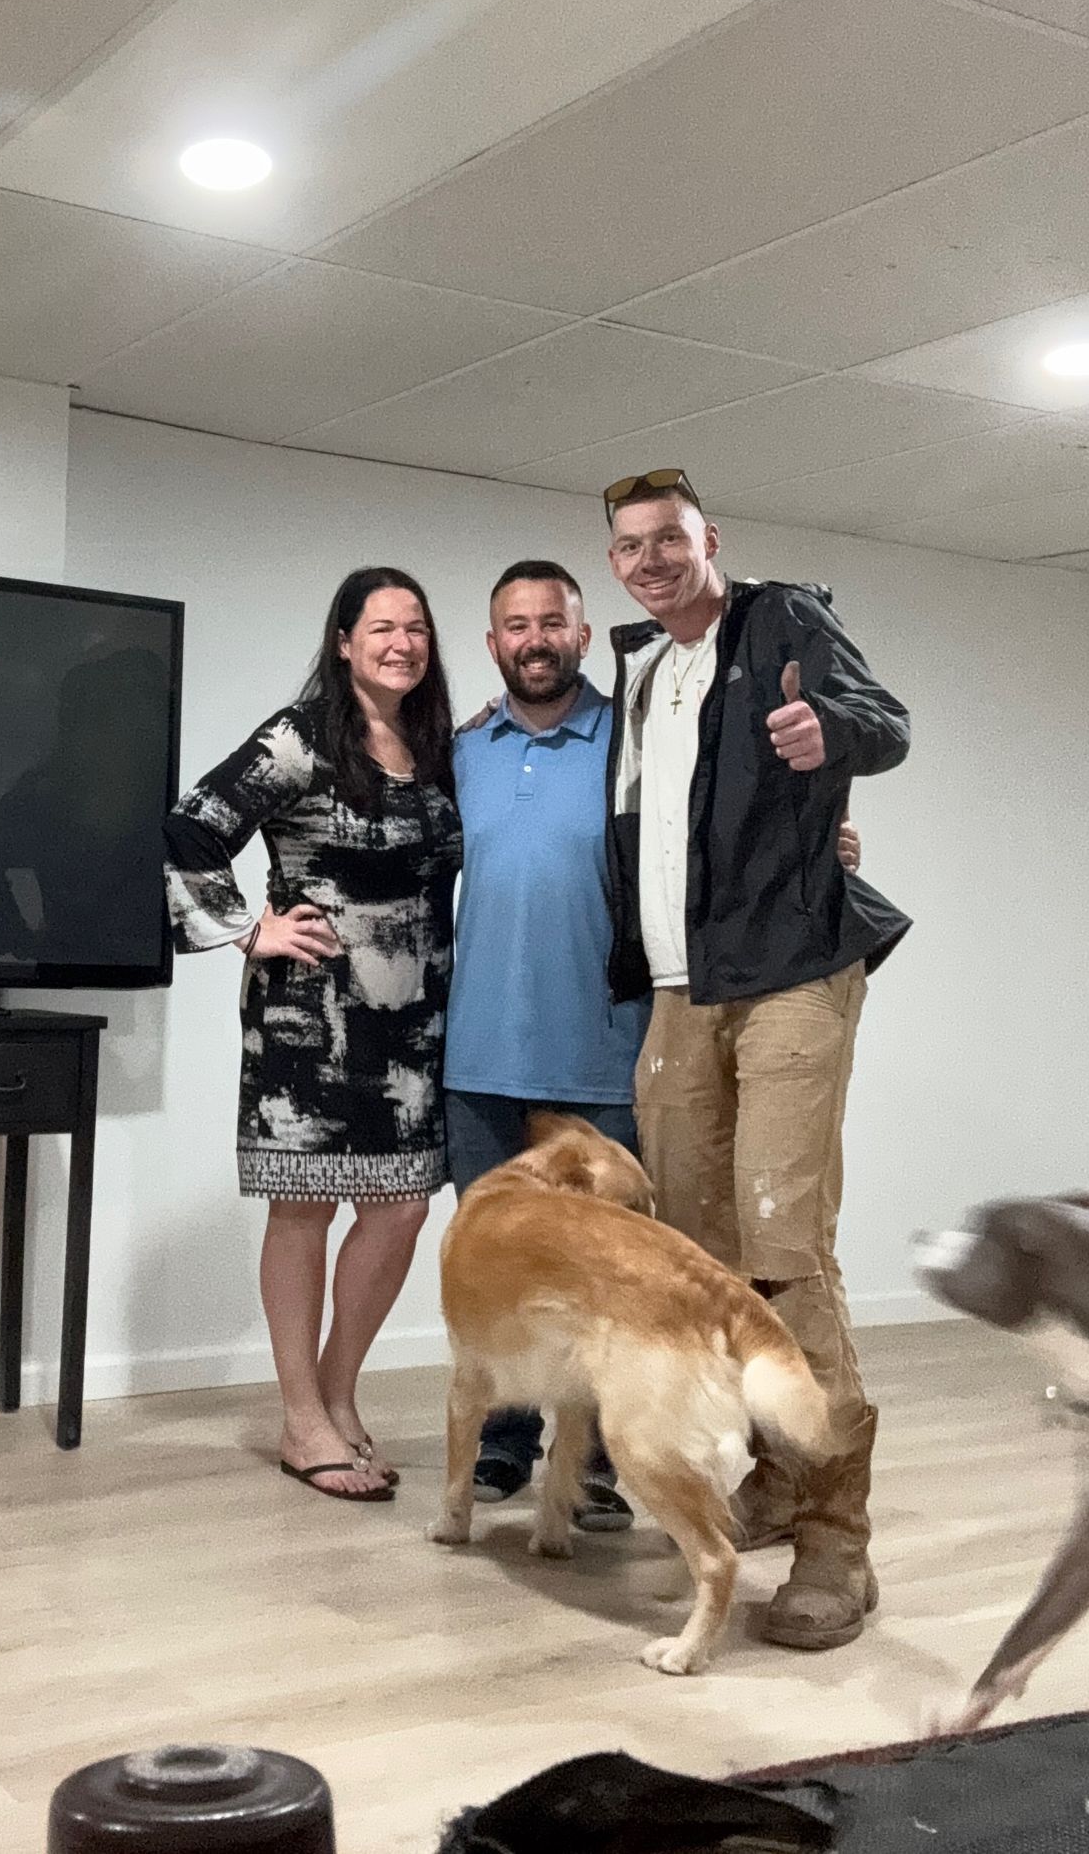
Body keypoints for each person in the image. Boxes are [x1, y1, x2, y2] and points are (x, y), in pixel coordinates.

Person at [601, 465, 911, 1651]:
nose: (650, 560)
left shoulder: (781, 616)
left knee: (783, 1257)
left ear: (708, 539)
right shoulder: (641, 672)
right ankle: (775, 1479)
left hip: (790, 977)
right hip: (681, 995)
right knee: (703, 1268)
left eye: (668, 539)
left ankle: (839, 1544)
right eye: (629, 547)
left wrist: (827, 731)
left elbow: (886, 725)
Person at [163, 569, 462, 1502]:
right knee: (302, 1210)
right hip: (309, 1022)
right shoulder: (296, 739)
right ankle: (301, 1418)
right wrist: (250, 929)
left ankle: (337, 1391)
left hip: (416, 1021)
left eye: (416, 628)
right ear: (342, 641)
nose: (401, 643)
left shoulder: (441, 747)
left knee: (402, 1207)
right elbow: (187, 830)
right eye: (381, 627)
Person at [442, 560, 651, 1523]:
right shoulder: (463, 749)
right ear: (493, 645)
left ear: (581, 630)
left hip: (604, 1055)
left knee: (606, 1278)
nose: (535, 639)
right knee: (503, 1273)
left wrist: (834, 840)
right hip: (478, 1055)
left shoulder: (638, 739)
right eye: (515, 625)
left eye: (552, 622)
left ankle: (602, 1461)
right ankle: (503, 1444)